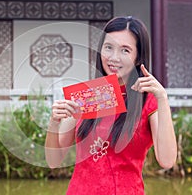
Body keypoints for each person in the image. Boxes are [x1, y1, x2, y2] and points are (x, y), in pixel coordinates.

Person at [45, 16, 177, 195]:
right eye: (109, 48)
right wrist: (54, 122)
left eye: (125, 50)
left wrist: (162, 98)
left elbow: (167, 161)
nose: (114, 58)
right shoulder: (87, 96)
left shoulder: (147, 101)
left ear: (138, 57)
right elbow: (54, 161)